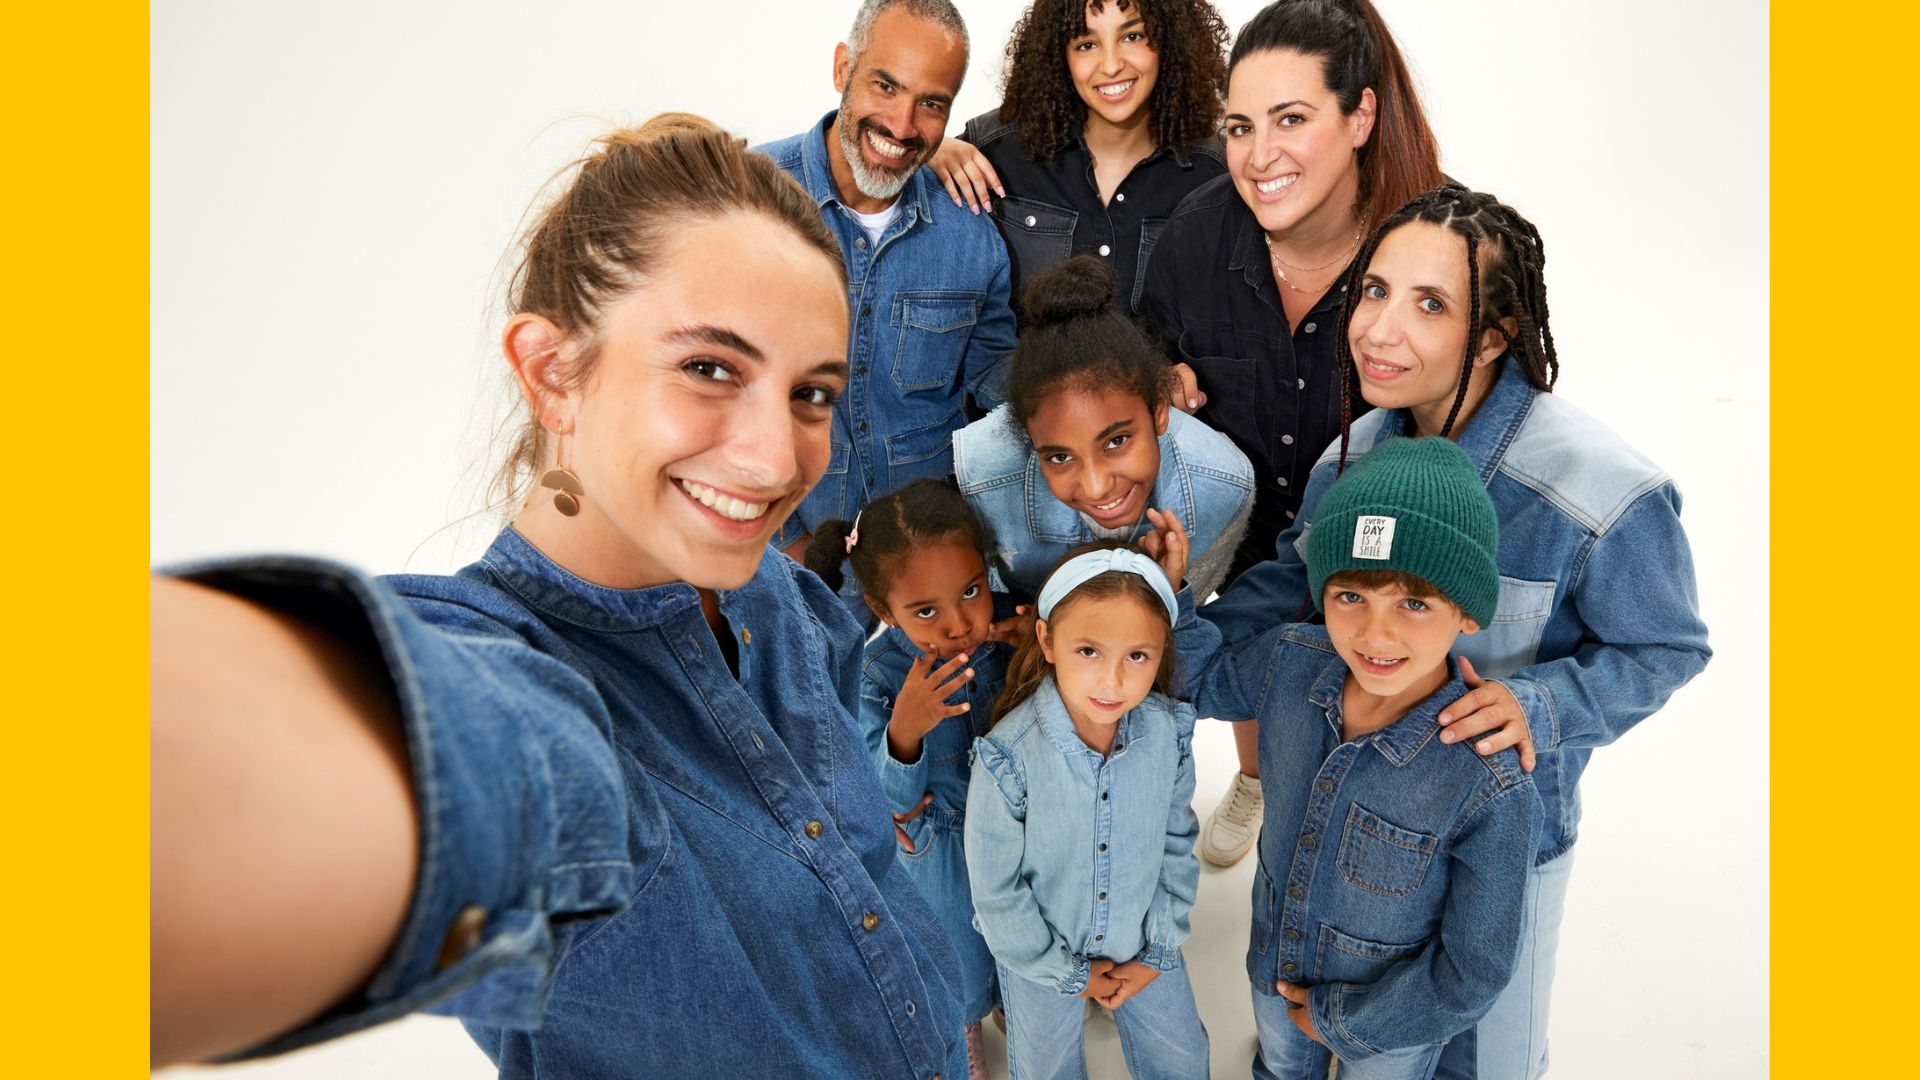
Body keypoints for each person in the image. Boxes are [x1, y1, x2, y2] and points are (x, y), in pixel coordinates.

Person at [150, 115, 975, 1079]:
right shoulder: (514, 681)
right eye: (710, 368)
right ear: (552, 375)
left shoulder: (779, 598)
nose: (776, 459)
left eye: (812, 394)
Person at [1199, 185, 1712, 1079]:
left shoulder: (1600, 491)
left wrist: (1538, 704)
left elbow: (1668, 647)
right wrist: (1148, 634)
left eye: (1429, 304)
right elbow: (1292, 585)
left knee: (1485, 1065)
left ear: (1493, 336)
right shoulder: (1354, 456)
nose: (1378, 329)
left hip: (1504, 846)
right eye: (1374, 291)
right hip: (1352, 833)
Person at [1138, 0, 1447, 870]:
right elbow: (1144, 341)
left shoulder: (1434, 242)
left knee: (1355, 793)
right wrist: (1158, 372)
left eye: (1291, 119)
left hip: (1382, 545)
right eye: (1240, 126)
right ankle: (1255, 777)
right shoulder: (1198, 236)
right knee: (1254, 675)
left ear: (1360, 116)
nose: (1258, 155)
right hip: (1248, 535)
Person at [1191, 435, 1541, 1080]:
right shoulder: (1288, 662)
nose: (1376, 633)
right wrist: (1161, 591)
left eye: (1414, 603)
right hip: (1274, 972)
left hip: (1391, 1031)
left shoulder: (1489, 782)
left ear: (1468, 613)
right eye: (1351, 596)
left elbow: (1475, 970)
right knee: (1278, 1067)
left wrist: (1348, 1024)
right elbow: (1193, 681)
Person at [755, 0, 1018, 589]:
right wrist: (783, 543)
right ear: (842, 68)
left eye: (932, 104)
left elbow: (999, 391)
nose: (902, 125)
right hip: (781, 565)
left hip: (928, 576)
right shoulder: (749, 197)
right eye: (886, 86)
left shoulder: (971, 232)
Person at [803, 477, 1027, 1080]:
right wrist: (906, 729)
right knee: (958, 956)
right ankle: (964, 1023)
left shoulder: (1013, 627)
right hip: (940, 852)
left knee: (1020, 935)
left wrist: (1039, 643)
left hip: (1019, 831)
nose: (958, 624)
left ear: (987, 570)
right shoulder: (876, 675)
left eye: (971, 591)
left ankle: (1016, 1001)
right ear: (883, 610)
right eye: (925, 611)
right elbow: (890, 804)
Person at [965, 542, 1209, 1080]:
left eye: (1137, 656)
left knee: (1184, 1057)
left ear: (1161, 650)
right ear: (1047, 640)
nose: (1113, 681)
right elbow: (997, 892)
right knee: (1045, 1070)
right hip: (1041, 964)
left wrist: (1157, 950)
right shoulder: (1008, 757)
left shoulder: (1168, 734)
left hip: (1141, 942)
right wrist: (1068, 974)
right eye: (1089, 651)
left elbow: (1176, 843)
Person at [953, 255, 1253, 602]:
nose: (1097, 487)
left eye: (1116, 441)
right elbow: (985, 614)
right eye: (1060, 457)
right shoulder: (982, 478)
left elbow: (1184, 621)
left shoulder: (1221, 486)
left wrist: (1161, 597)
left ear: (1158, 409)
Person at [929, 0, 1230, 317]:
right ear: (1060, 56)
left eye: (1132, 37)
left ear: (1170, 39)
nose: (1111, 66)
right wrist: (929, 151)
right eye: (1087, 44)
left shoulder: (1213, 172)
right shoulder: (999, 148)